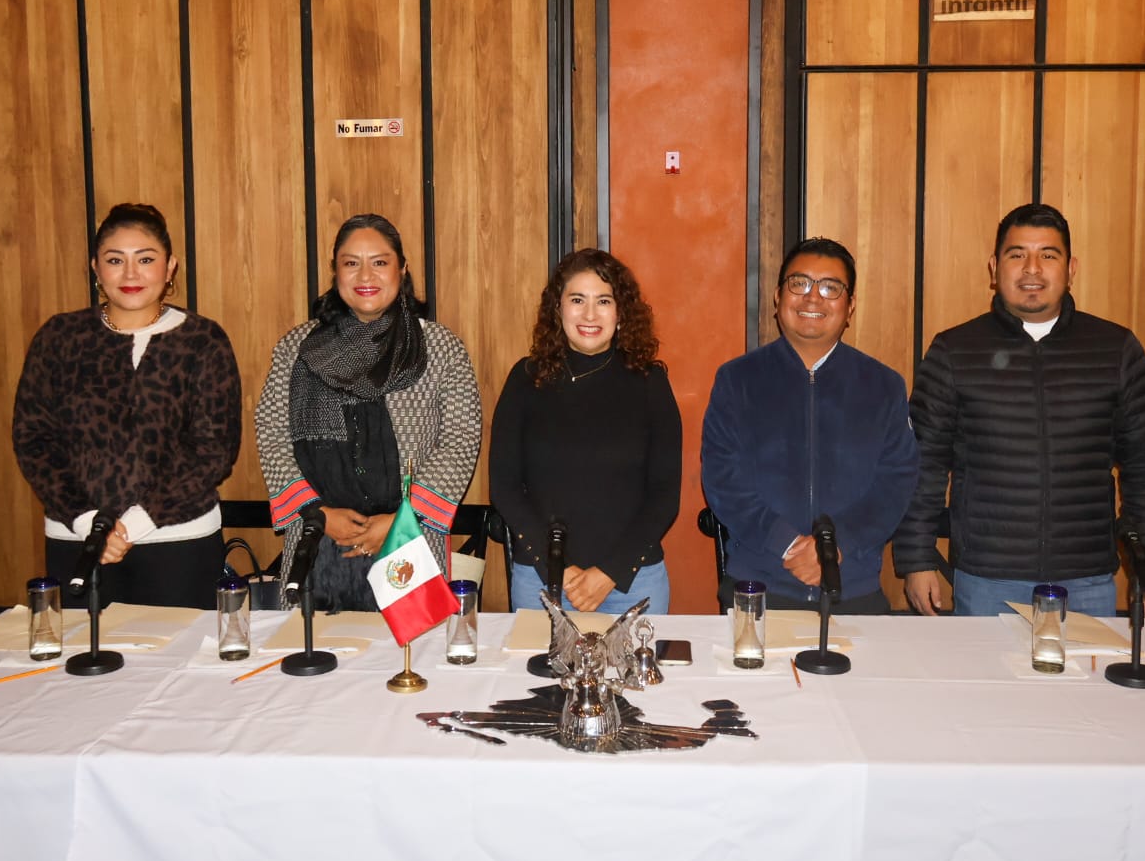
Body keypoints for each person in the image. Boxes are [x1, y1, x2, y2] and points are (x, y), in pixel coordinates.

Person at [894, 203, 1145, 618]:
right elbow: (923, 463)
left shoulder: (1115, 349)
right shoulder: (955, 351)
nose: (1032, 268)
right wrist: (917, 558)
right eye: (1017, 255)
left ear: (1071, 268)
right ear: (994, 268)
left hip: (1087, 579)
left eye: (1048, 255)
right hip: (987, 578)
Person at [13, 203, 242, 609]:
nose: (131, 274)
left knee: (183, 650)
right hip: (77, 540)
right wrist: (88, 523)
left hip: (179, 540)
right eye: (115, 260)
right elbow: (34, 440)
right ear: (96, 268)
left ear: (170, 267)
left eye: (146, 259)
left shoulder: (203, 340)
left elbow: (213, 450)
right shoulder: (59, 337)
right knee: (83, 649)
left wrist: (136, 523)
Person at [255, 213, 481, 611]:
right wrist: (317, 513)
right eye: (351, 263)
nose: (365, 275)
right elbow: (270, 433)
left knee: (409, 646)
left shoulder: (439, 347)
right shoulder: (298, 347)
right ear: (335, 271)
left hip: (408, 535)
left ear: (402, 269)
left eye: (379, 262)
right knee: (313, 645)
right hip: (317, 535)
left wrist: (402, 519)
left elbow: (460, 440)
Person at [701, 237, 919, 613]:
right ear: (777, 296)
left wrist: (834, 547)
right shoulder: (737, 380)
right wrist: (786, 543)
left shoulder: (884, 386)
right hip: (758, 585)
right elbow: (723, 479)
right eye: (799, 283)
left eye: (830, 287)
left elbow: (895, 484)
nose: (813, 297)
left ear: (850, 305)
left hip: (852, 585)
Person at [490, 249, 681, 614]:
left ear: (621, 312)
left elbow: (664, 495)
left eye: (604, 301)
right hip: (541, 581)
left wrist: (609, 573)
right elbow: (505, 487)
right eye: (577, 300)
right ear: (557, 308)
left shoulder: (650, 383)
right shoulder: (526, 379)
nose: (590, 314)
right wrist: (557, 568)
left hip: (632, 581)